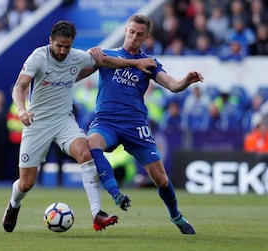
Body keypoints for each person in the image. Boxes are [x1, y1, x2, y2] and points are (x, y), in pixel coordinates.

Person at [2, 20, 156, 233]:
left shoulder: (77, 56)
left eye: (67, 46)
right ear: (50, 41)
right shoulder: (38, 57)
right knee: (26, 183)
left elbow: (105, 61)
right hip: (37, 123)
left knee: (86, 153)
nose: (63, 51)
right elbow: (20, 87)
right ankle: (14, 205)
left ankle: (97, 214)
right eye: (59, 46)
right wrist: (21, 110)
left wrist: (135, 64)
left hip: (64, 120)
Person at [78, 15, 203, 234]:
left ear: (146, 37)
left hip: (135, 126)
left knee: (161, 178)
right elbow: (75, 75)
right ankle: (116, 194)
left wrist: (185, 81)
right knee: (91, 143)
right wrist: (84, 59)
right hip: (106, 121)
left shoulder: (149, 63)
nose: (134, 37)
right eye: (132, 32)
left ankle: (176, 215)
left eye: (140, 34)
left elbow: (172, 85)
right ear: (126, 30)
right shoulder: (106, 55)